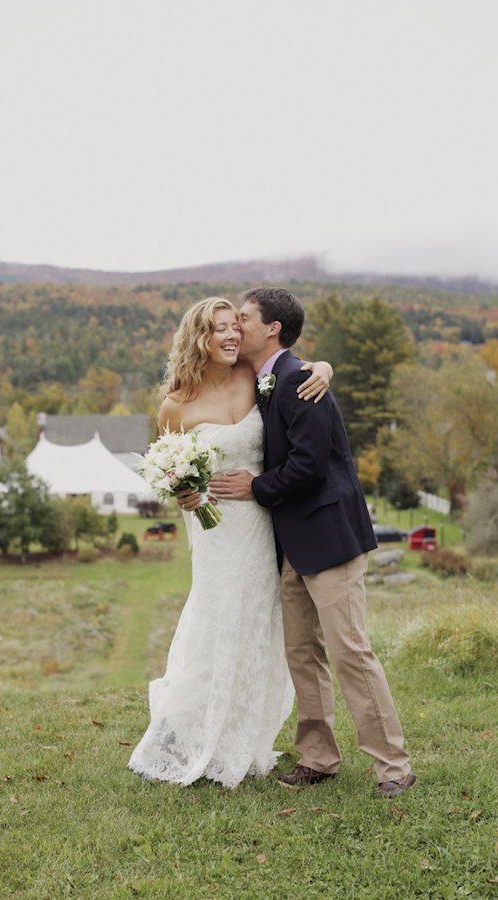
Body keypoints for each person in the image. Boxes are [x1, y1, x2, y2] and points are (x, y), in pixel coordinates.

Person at [209, 287, 416, 799]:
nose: (238, 327)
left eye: (246, 319)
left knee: (350, 652)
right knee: (302, 653)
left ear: (272, 328)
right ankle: (318, 758)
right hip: (291, 546)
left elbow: (308, 466)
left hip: (329, 538)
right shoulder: (267, 380)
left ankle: (394, 766)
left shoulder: (301, 379)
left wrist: (254, 488)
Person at [128, 296, 332, 788]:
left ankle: (245, 734)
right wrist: (185, 493)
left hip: (264, 524)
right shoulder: (175, 406)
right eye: (219, 328)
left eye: (234, 327)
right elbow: (175, 478)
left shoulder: (251, 375)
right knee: (217, 622)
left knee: (260, 627)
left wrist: (324, 367)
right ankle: (196, 732)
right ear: (198, 337)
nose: (230, 336)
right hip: (217, 531)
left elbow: (294, 366)